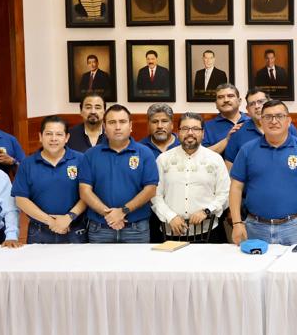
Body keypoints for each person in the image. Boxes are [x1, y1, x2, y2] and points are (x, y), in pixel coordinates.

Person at [229, 100, 297, 246]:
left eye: (279, 116)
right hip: (255, 227)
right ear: (261, 121)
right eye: (268, 117)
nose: (274, 121)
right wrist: (237, 223)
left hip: (293, 227)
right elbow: (235, 187)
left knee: (294, 262)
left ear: (288, 121)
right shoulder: (247, 150)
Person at [77, 105, 159, 244]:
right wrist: (109, 215)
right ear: (104, 127)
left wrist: (123, 211)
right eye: (112, 122)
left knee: (137, 260)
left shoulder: (145, 153)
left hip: (136, 229)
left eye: (122, 122)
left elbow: (150, 190)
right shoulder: (90, 155)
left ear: (130, 126)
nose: (118, 127)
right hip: (100, 228)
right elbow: (85, 191)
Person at [150, 112, 230, 242]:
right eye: (185, 128)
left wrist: (207, 211)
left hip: (208, 231)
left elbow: (225, 193)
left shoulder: (215, 159)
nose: (190, 133)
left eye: (196, 129)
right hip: (171, 231)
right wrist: (170, 216)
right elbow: (155, 195)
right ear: (178, 132)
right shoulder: (163, 159)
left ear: (203, 133)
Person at [12, 116, 87, 244]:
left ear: (67, 137)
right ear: (40, 136)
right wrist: (51, 221)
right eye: (48, 134)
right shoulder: (27, 164)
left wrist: (69, 218)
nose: (53, 138)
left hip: (74, 229)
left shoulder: (81, 160)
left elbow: (88, 194)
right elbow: (21, 199)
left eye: (59, 134)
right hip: (39, 232)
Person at [222, 90, 269, 165]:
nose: (257, 106)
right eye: (252, 104)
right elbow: (229, 165)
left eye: (261, 102)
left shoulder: (284, 128)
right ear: (248, 109)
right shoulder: (237, 131)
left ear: (269, 103)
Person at [203, 84, 247, 154]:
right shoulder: (206, 127)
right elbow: (202, 155)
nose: (226, 100)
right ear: (216, 104)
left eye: (230, 96)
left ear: (239, 101)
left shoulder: (252, 122)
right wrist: (227, 140)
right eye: (220, 97)